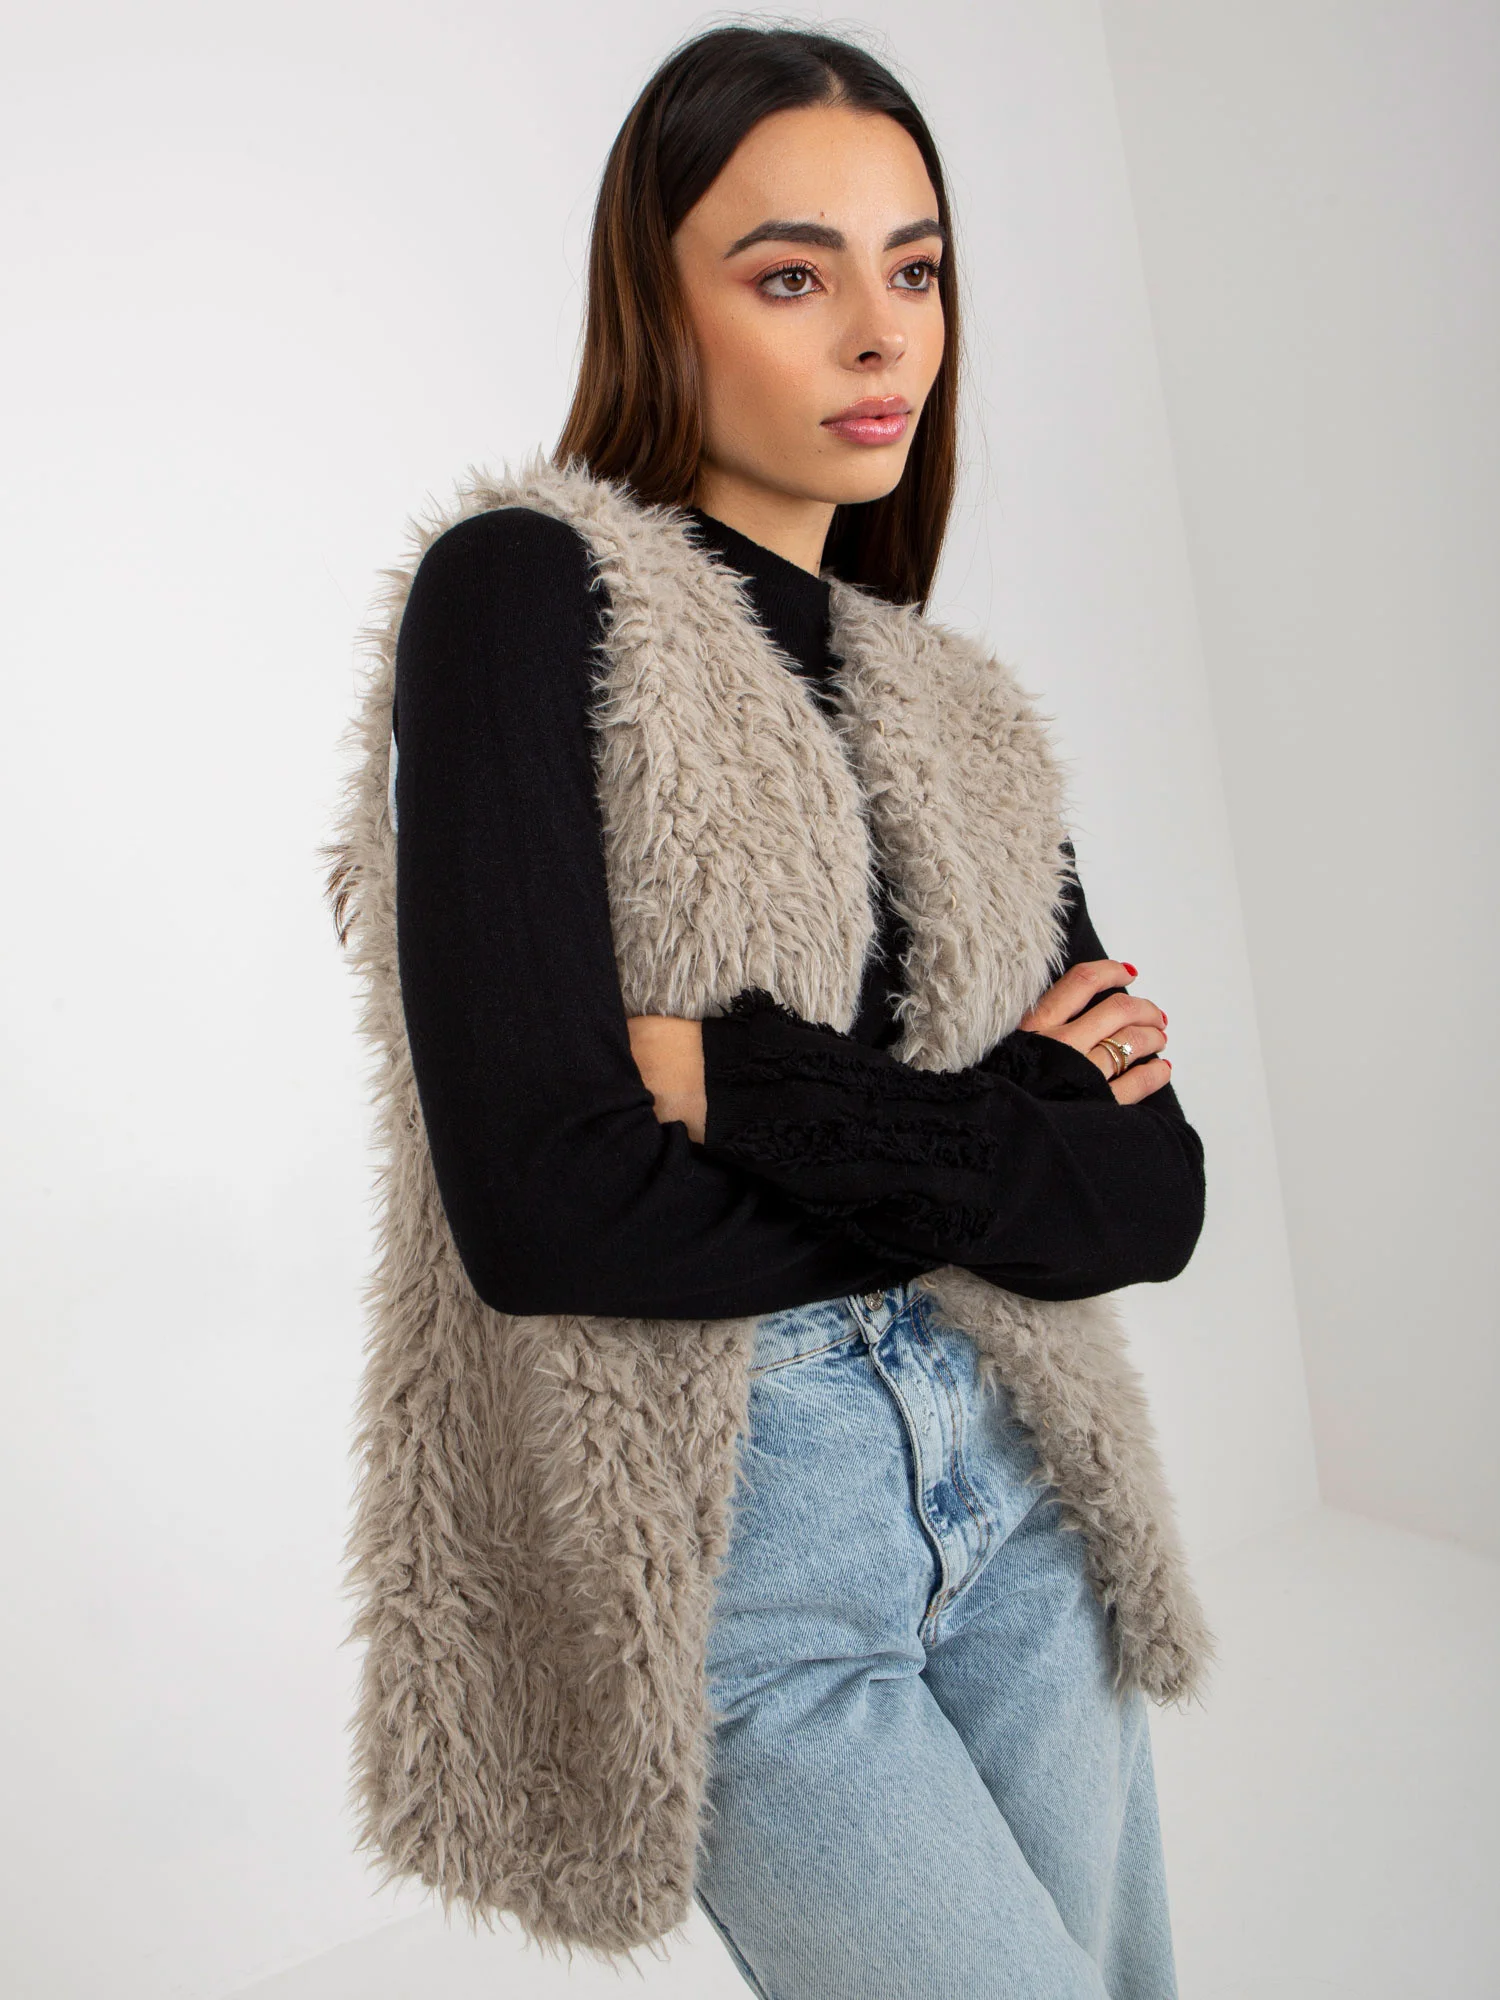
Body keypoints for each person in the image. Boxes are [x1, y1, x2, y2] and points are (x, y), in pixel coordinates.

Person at [330, 23, 1209, 1999]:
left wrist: (754, 1089)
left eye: (918, 268)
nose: (884, 333)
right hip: (746, 1535)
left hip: (1024, 1487)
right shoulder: (527, 592)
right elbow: (547, 1211)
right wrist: (1001, 1133)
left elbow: (1150, 1195)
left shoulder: (962, 710)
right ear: (662, 303)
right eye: (792, 273)